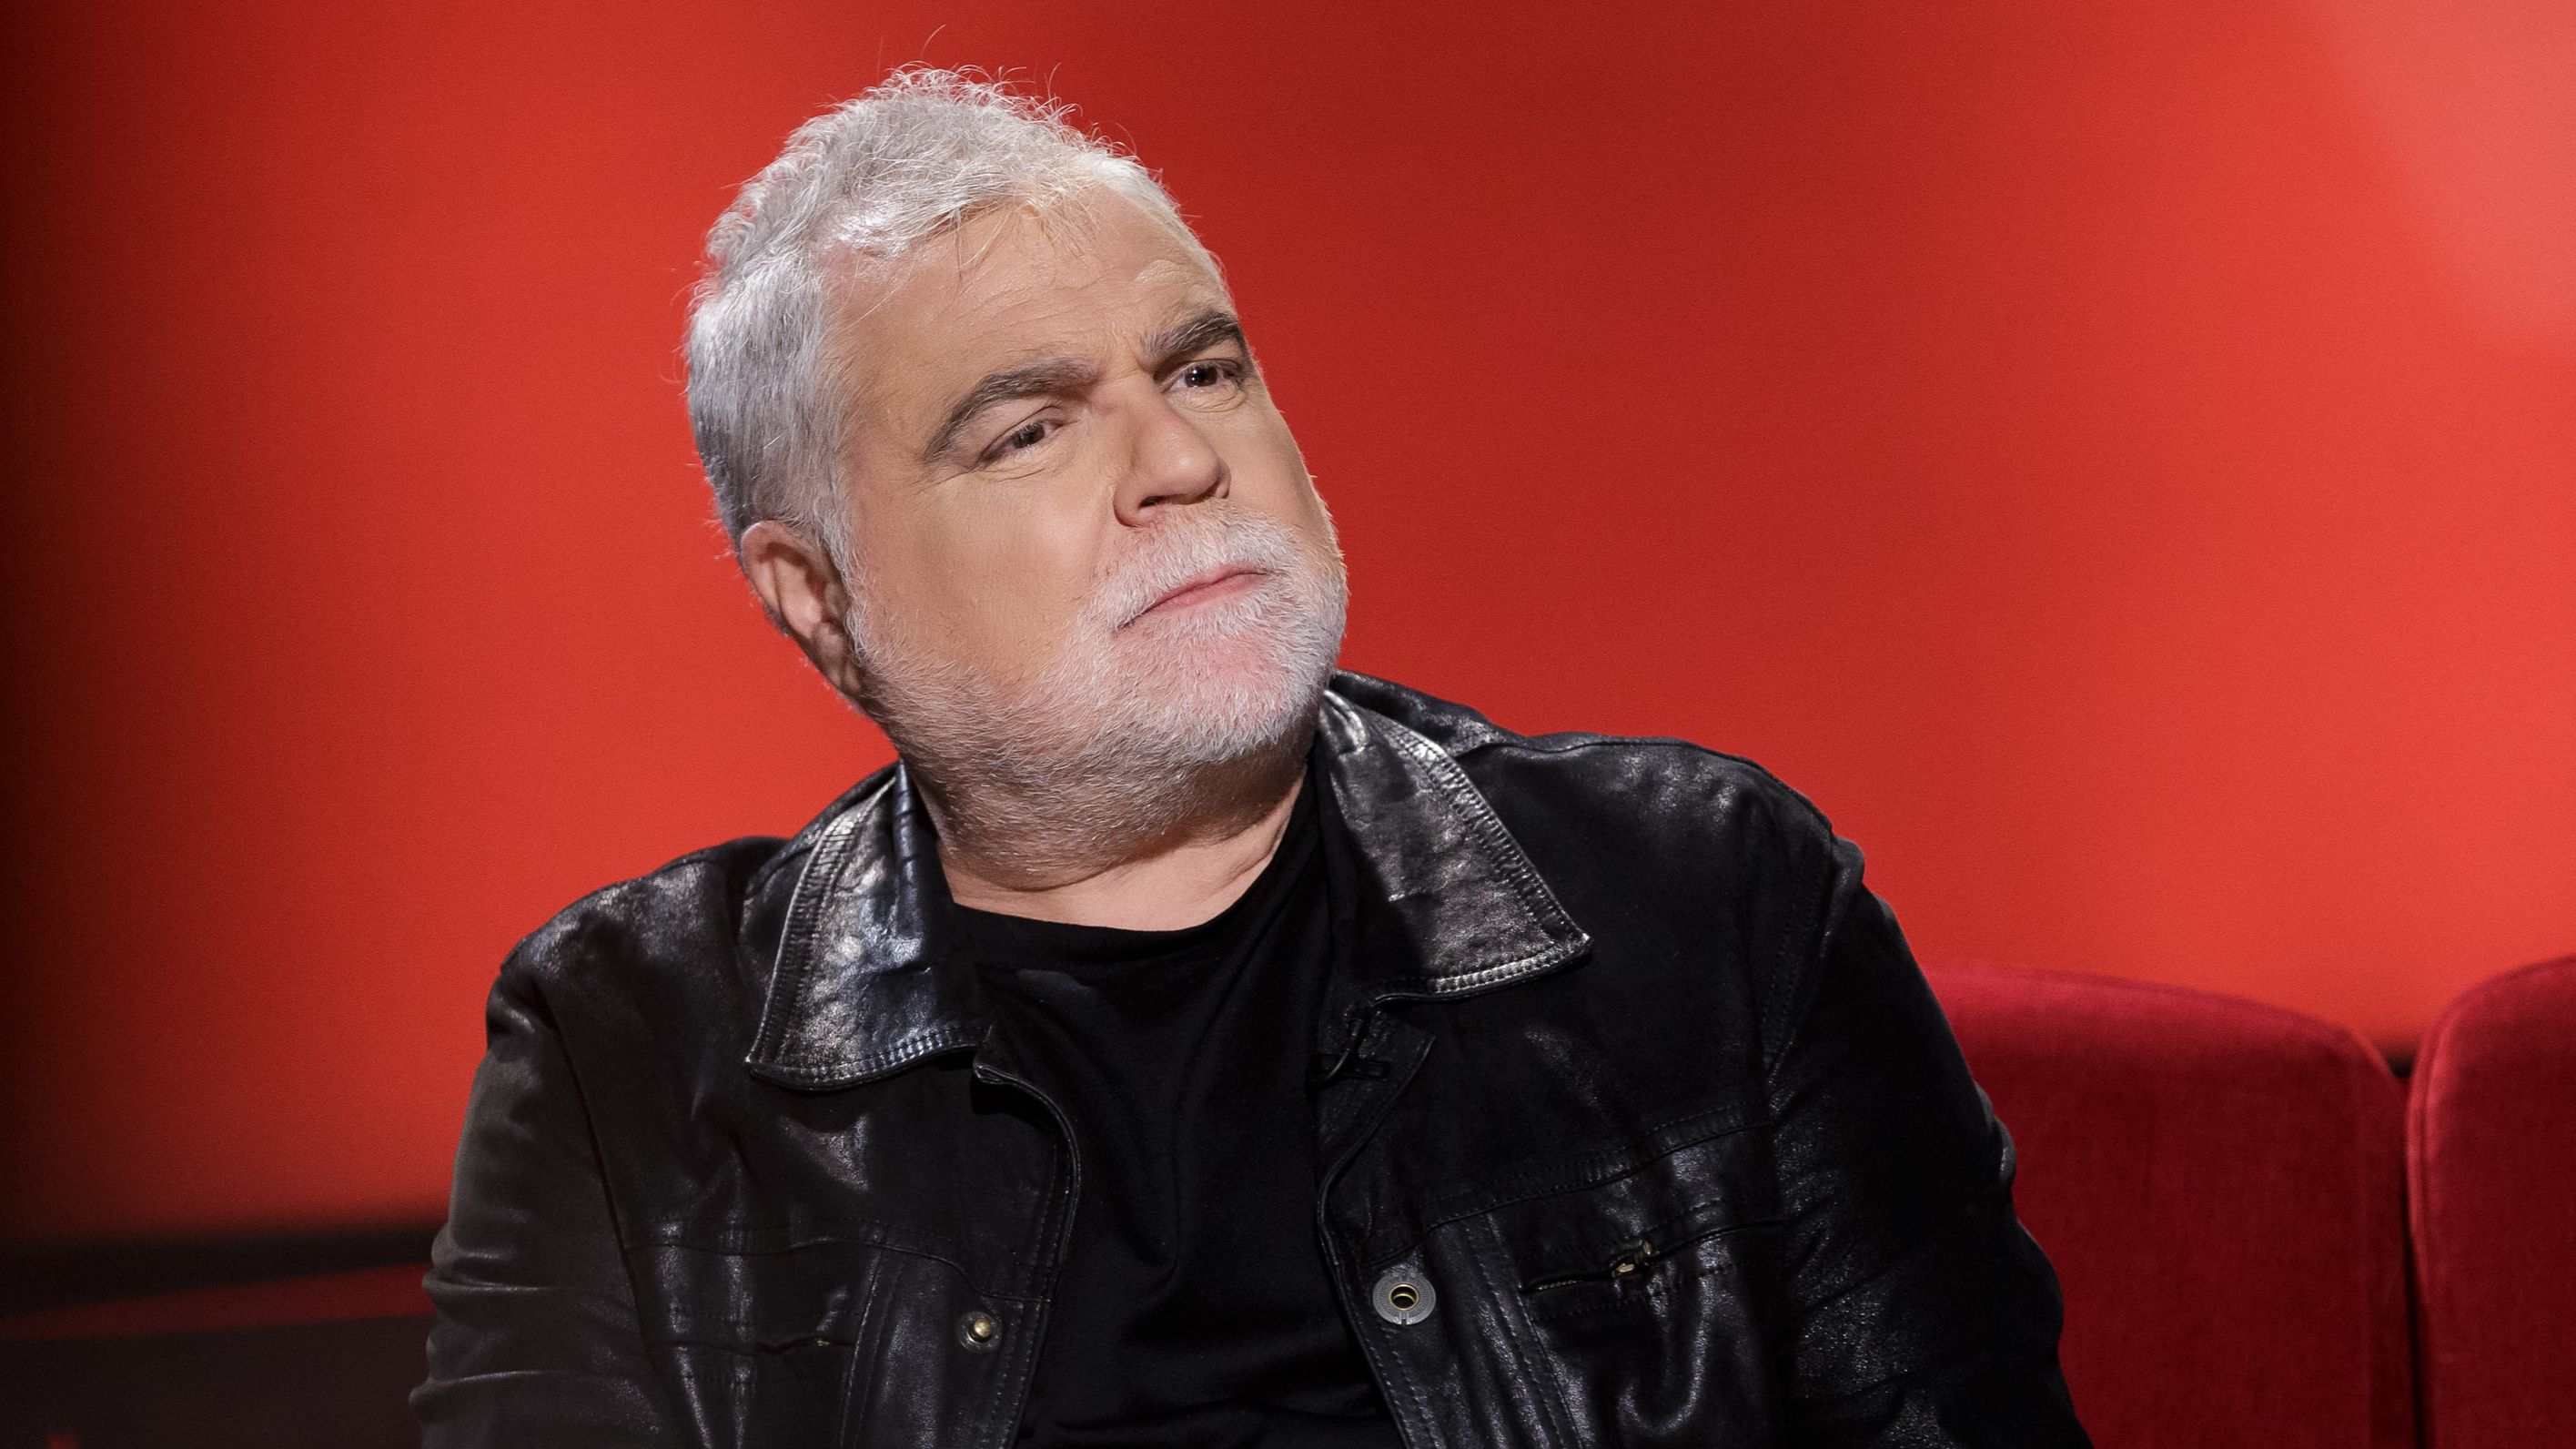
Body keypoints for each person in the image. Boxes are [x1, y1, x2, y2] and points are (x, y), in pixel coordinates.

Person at [413, 67, 2090, 1448]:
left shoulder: (1709, 907)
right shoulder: (627, 1052)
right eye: (1029, 428)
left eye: (1203, 368)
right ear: (819, 595)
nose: (1179, 458)